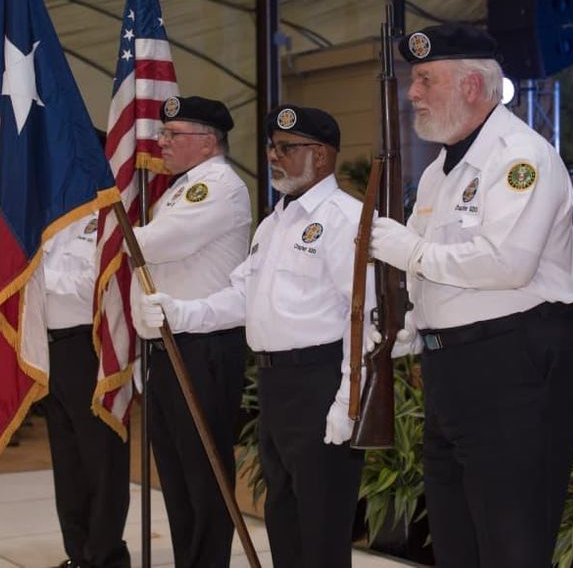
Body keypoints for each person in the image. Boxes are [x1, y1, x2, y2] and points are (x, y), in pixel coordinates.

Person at [368, 21, 573, 567]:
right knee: (455, 533)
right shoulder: (439, 172)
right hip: (455, 364)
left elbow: (506, 264)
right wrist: (414, 321)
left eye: (425, 80)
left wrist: (410, 252)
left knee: (510, 533)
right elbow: (444, 269)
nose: (412, 93)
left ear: (472, 85)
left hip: (513, 357)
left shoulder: (520, 158)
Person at [136, 105, 370, 568]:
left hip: (322, 380)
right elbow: (242, 295)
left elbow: (367, 318)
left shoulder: (346, 218)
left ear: (321, 157)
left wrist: (350, 398)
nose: (273, 157)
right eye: (271, 147)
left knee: (322, 523)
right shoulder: (274, 222)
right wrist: (180, 313)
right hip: (275, 384)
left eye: (287, 148)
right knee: (283, 514)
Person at [130, 95, 252, 568]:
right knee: (176, 471)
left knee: (203, 473)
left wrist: (108, 231)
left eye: (171, 135)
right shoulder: (179, 189)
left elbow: (157, 243)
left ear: (206, 142)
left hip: (206, 344)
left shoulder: (218, 185)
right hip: (172, 341)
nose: (160, 142)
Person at [44, 206, 131, 568]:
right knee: (67, 461)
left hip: (89, 345)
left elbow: (92, 286)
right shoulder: (53, 220)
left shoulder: (106, 219)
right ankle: (78, 553)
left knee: (101, 457)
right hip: (50, 347)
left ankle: (106, 555)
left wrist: (38, 277)